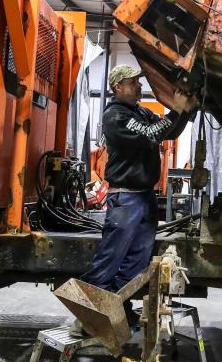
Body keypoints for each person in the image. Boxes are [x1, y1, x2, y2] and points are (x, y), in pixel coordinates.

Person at [76, 64, 193, 331]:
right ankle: (84, 315)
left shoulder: (139, 112)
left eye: (138, 83)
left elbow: (168, 131)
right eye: (132, 83)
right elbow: (152, 135)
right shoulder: (115, 116)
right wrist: (176, 108)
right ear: (117, 87)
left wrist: (184, 110)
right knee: (110, 259)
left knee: (137, 262)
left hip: (144, 198)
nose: (139, 86)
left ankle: (116, 307)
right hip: (126, 199)